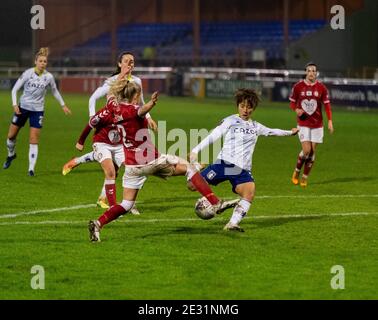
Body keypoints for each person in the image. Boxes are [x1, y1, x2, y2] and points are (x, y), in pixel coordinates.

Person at [88, 79, 239, 242]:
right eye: (140, 95)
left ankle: (98, 224)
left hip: (133, 167)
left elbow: (111, 97)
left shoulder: (113, 108)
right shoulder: (133, 110)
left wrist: (114, 88)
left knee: (126, 205)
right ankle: (215, 202)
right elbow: (140, 111)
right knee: (189, 168)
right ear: (136, 95)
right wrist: (151, 104)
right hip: (151, 160)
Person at [189, 88, 299, 232]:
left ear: (253, 109)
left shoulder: (255, 126)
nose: (245, 110)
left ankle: (232, 224)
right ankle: (200, 172)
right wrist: (196, 150)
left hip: (241, 169)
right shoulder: (230, 121)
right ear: (238, 106)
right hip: (224, 164)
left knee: (249, 193)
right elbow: (214, 135)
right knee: (191, 185)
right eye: (242, 106)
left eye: (249, 107)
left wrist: (290, 133)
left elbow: (272, 131)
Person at [62, 52, 157, 210]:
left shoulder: (137, 81)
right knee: (111, 166)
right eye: (126, 61)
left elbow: (140, 103)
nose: (130, 64)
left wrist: (148, 117)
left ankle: (105, 197)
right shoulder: (111, 82)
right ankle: (121, 204)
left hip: (125, 126)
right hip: (109, 126)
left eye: (132, 62)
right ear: (119, 64)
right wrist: (95, 118)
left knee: (122, 167)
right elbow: (92, 98)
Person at [3, 47, 71, 176]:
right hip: (22, 108)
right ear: (35, 61)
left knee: (33, 139)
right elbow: (14, 89)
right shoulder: (27, 73)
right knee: (11, 136)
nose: (42, 63)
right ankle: (11, 155)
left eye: (45, 61)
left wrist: (63, 105)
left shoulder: (49, 77)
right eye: (40, 61)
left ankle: (31, 169)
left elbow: (55, 91)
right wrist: (14, 104)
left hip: (38, 111)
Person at [289, 62, 334, 187]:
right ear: (305, 72)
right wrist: (296, 110)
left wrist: (330, 120)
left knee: (312, 152)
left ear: (316, 73)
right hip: (303, 123)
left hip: (317, 124)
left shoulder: (322, 88)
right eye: (309, 70)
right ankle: (297, 172)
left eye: (314, 71)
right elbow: (292, 103)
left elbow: (327, 105)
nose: (311, 73)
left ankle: (305, 177)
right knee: (306, 150)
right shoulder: (298, 86)